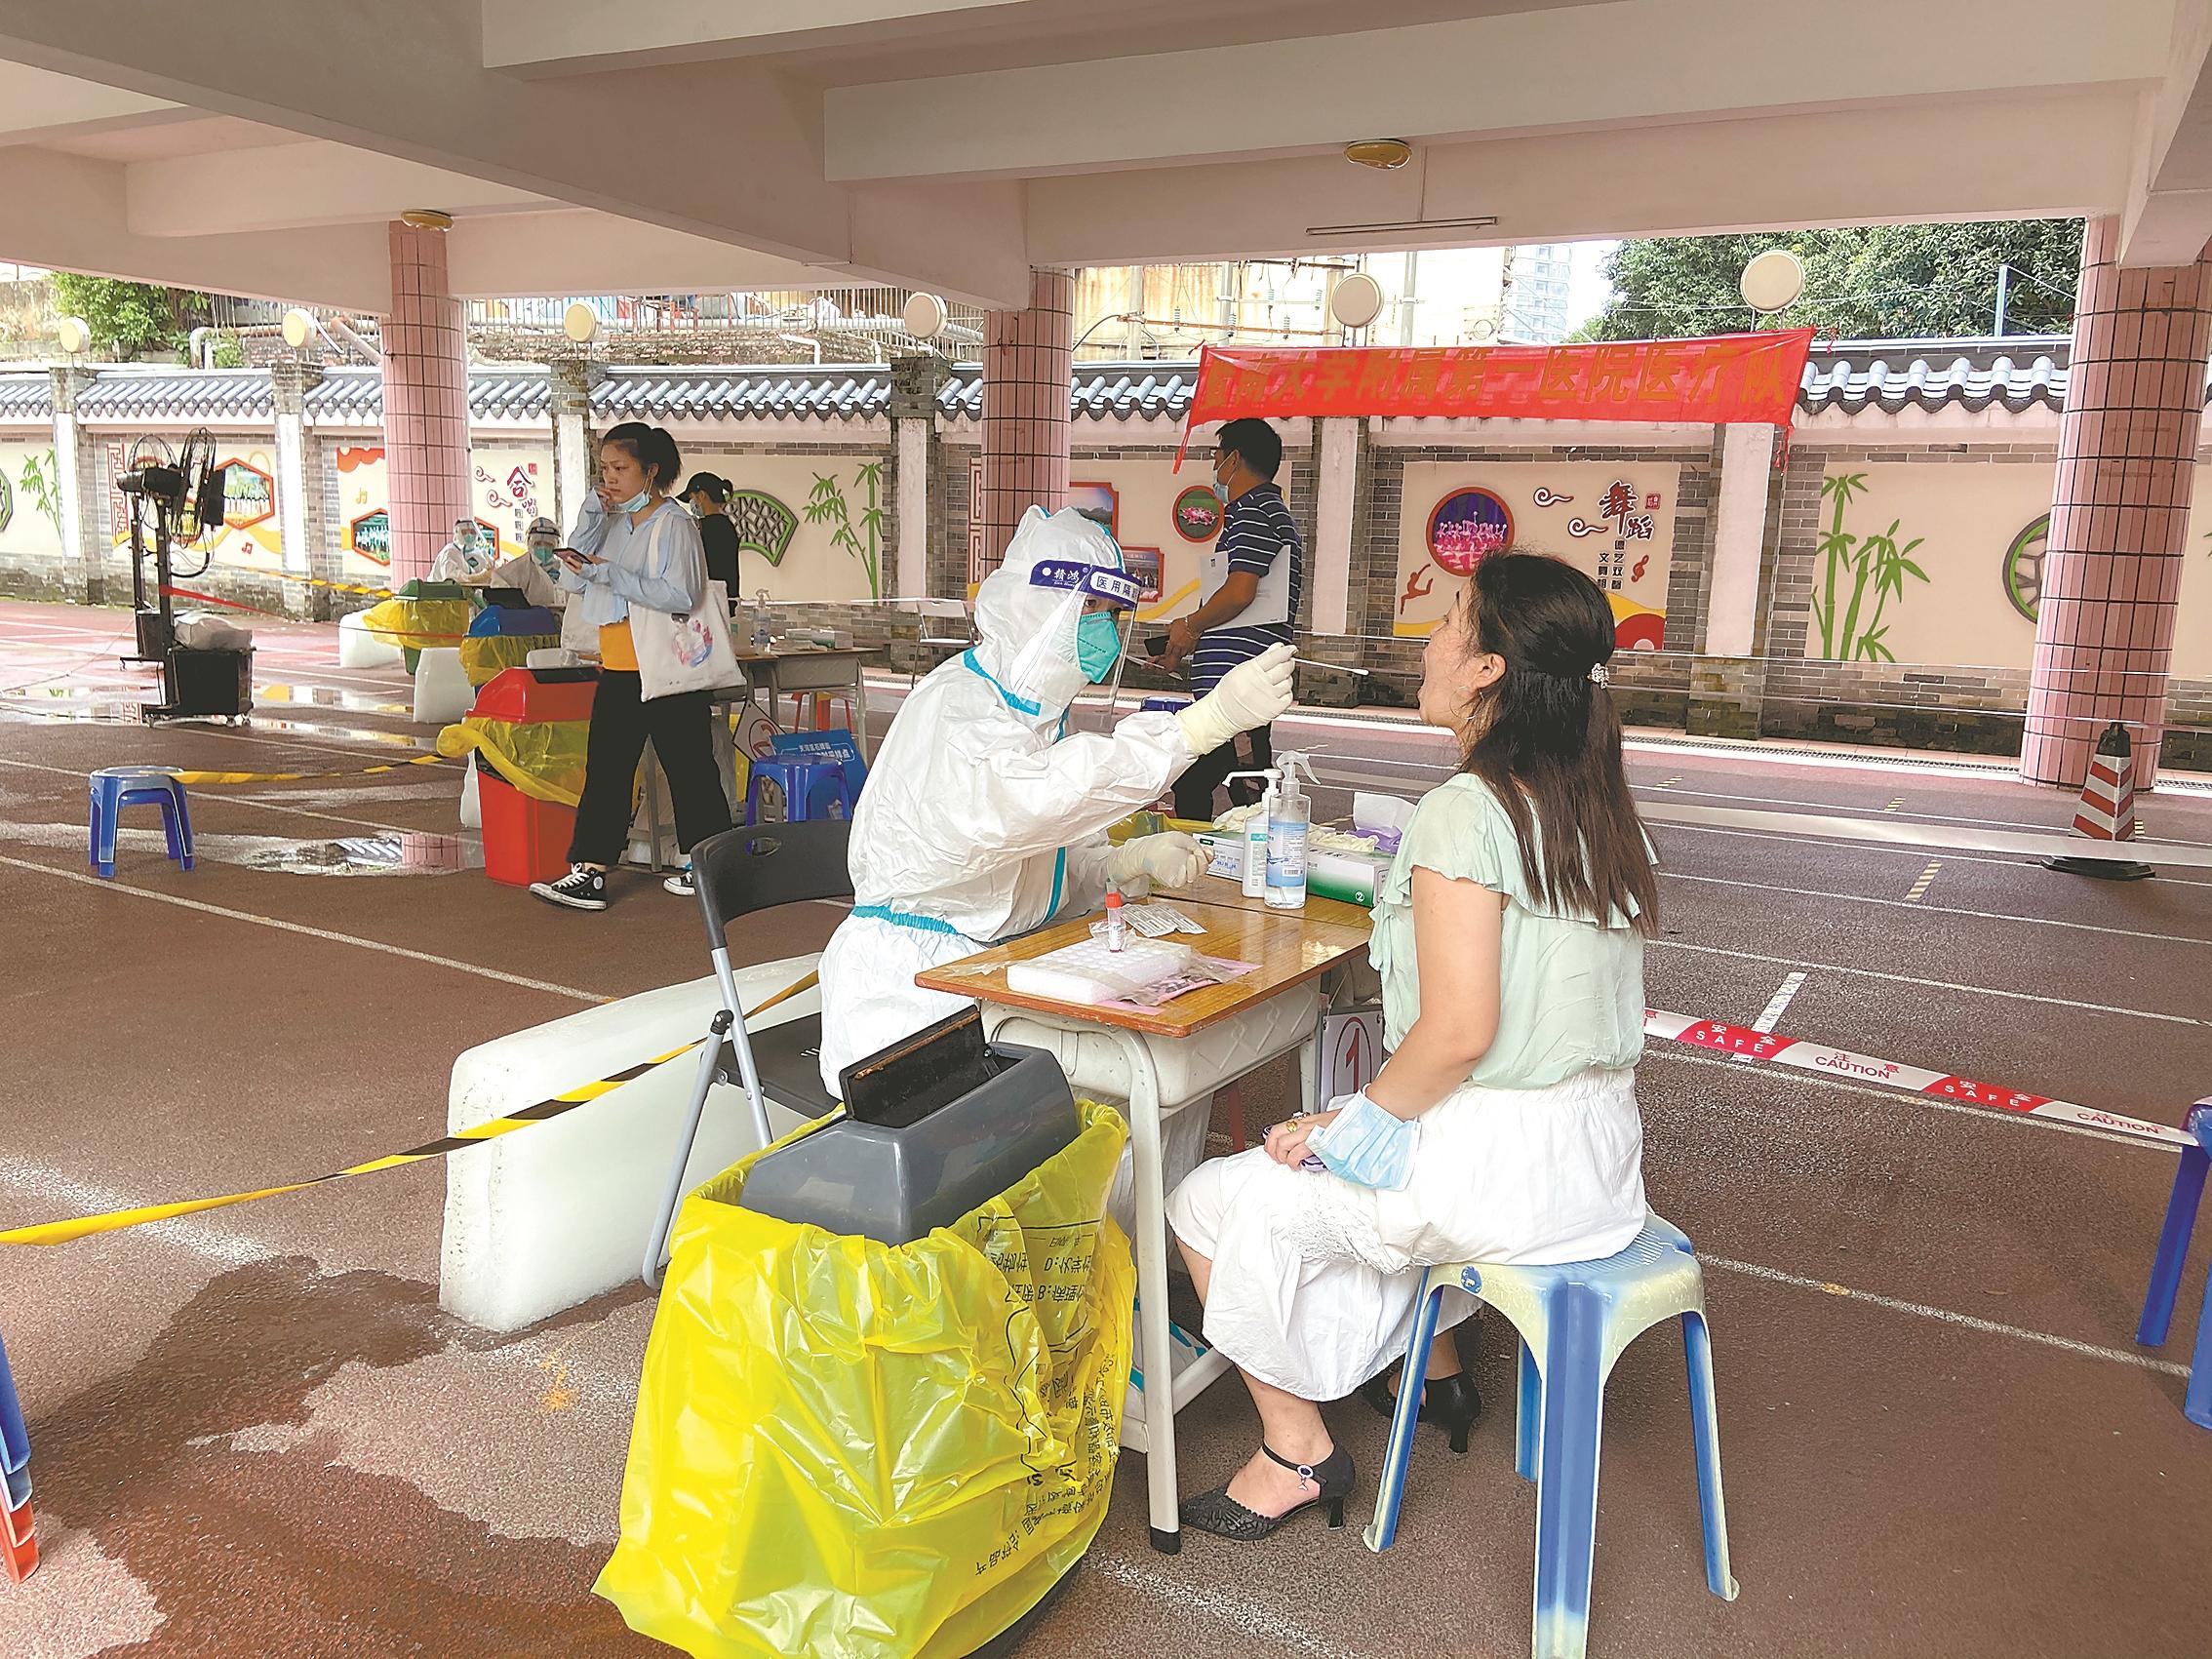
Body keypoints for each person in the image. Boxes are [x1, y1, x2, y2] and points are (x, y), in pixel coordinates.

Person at [1166, 552, 1658, 1541]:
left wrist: (1345, 1123)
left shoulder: (1467, 813)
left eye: (1450, 622)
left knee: (1210, 1199)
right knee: (1338, 1158)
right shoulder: (1592, 800)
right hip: (1602, 1169)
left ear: (1487, 670)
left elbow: (1460, 1033)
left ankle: (1295, 1451)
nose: (1429, 641)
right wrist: (1355, 1123)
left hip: (1500, 1178)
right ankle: (1431, 1372)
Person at [814, 504, 1297, 1093]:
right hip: (912, 993)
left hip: (994, 969)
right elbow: (1031, 803)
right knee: (1119, 1087)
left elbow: (1035, 873)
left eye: (1118, 615)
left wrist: (1120, 864)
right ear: (1041, 606)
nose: (1110, 631)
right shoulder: (959, 707)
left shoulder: (1038, 721)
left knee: (1153, 1072)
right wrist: (1199, 725)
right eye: (1094, 611)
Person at [530, 423, 732, 911]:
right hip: (620, 665)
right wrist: (589, 522)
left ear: (651, 471)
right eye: (604, 469)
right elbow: (574, 584)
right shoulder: (614, 523)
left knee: (689, 770)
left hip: (667, 667)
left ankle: (710, 864)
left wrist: (608, 572)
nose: (611, 478)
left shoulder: (675, 524)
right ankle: (591, 870)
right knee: (606, 770)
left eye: (621, 468)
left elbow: (680, 594)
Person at [1164, 418, 1304, 822]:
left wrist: (1191, 625)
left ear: (1235, 459)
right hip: (1245, 676)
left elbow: (1240, 591)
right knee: (1246, 780)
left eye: (1217, 456)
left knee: (1218, 782)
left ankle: (1202, 866)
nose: (1214, 467)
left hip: (1236, 684)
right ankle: (1251, 854)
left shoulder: (1253, 512)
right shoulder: (1272, 513)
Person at [684, 472, 742, 595]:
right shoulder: (726, 525)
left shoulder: (706, 527)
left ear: (701, 496)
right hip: (726, 599)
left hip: (713, 601)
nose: (692, 503)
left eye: (692, 498)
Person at [428, 517, 496, 584]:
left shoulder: (480, 554)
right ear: (457, 533)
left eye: (472, 532)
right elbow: (453, 580)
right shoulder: (450, 552)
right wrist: (482, 576)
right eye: (464, 532)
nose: (469, 535)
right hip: (442, 593)